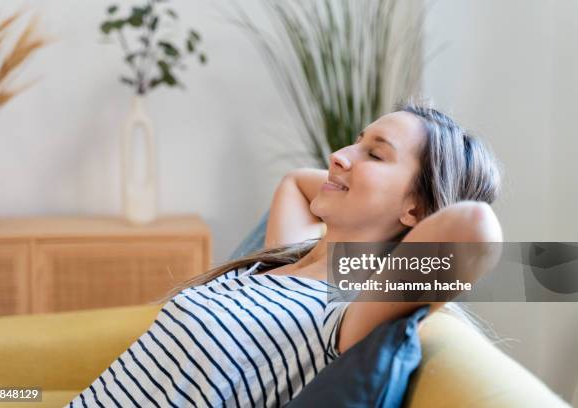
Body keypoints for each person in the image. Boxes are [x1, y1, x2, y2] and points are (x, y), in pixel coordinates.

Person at [67, 99, 503, 407]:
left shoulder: (350, 308)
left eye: (375, 153)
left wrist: (388, 220)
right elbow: (295, 182)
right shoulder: (288, 258)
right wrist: (355, 184)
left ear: (417, 209)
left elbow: (475, 230)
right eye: (356, 141)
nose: (338, 156)